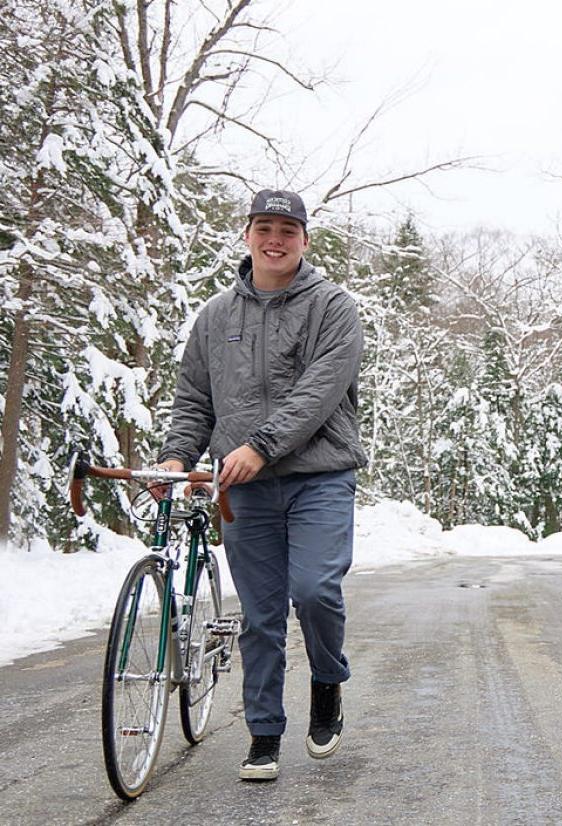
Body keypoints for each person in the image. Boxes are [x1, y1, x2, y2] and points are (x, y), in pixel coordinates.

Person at [156, 189, 367, 782]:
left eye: (288, 230)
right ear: (247, 234)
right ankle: (264, 733)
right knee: (260, 614)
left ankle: (327, 683)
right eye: (265, 227)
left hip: (319, 477)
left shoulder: (333, 307)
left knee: (316, 589)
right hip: (242, 487)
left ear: (304, 239)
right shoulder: (216, 315)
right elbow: (195, 398)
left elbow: (320, 392)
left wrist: (262, 446)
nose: (275, 239)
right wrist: (176, 457)